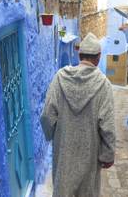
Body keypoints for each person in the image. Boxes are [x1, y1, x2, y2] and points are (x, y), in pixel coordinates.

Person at [40, 33, 116, 197]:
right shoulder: (103, 85)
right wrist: (108, 155)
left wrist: (52, 135)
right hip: (89, 157)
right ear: (98, 58)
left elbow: (47, 116)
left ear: (79, 55)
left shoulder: (60, 79)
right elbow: (108, 126)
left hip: (64, 155)